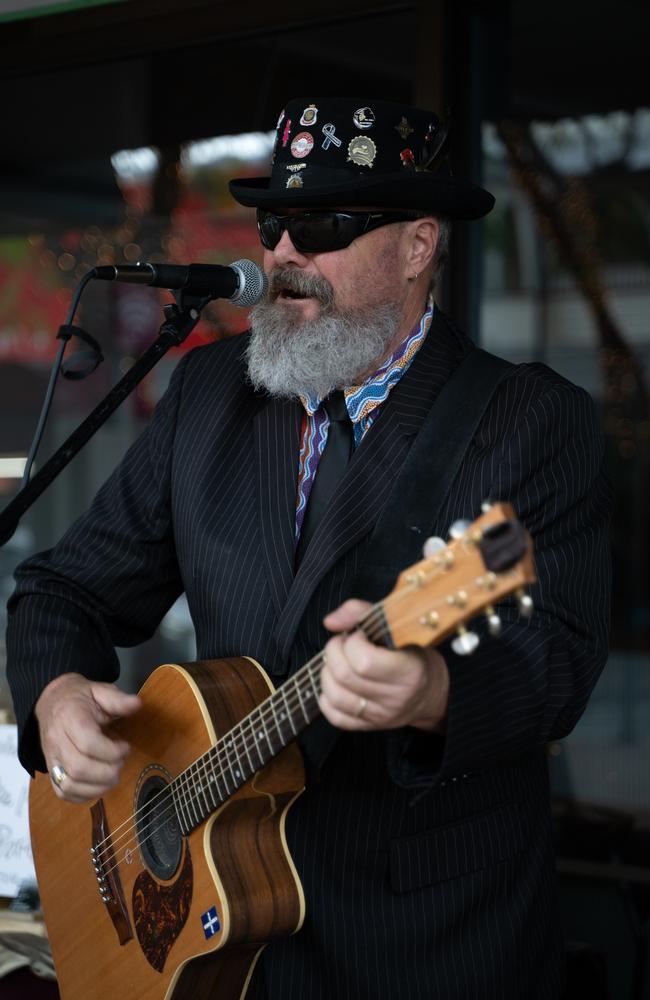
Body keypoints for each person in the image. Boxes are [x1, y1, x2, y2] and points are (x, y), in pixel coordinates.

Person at [6, 97, 611, 999]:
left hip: (422, 942)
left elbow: (558, 655)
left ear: (418, 246)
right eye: (275, 223)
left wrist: (436, 691)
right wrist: (56, 699)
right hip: (210, 929)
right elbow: (65, 589)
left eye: (323, 224)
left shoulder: (527, 419)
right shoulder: (212, 391)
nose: (286, 253)